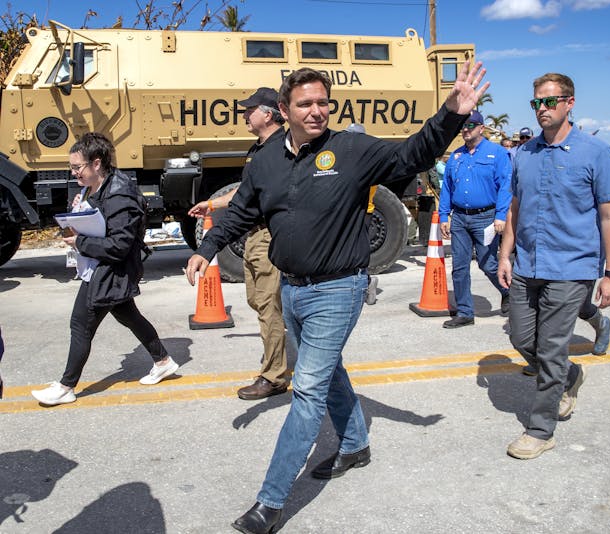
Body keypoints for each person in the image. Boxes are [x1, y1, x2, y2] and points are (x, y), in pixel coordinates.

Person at [186, 62, 488, 533]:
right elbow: (241, 210)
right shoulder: (264, 160)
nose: (316, 111)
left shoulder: (351, 149)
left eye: (323, 102)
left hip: (338, 289)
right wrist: (205, 250)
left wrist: (450, 113)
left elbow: (413, 154)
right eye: (305, 104)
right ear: (283, 110)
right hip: (291, 289)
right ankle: (355, 445)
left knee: (306, 390)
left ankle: (269, 503)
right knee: (329, 374)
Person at [498, 73, 610, 460]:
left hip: (572, 267)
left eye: (550, 101)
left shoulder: (596, 152)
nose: (542, 109)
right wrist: (505, 254)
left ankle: (541, 429)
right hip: (527, 265)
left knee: (551, 349)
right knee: (522, 339)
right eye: (537, 102)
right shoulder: (525, 154)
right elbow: (516, 208)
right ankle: (570, 376)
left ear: (570, 103)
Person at [31, 132, 177, 406]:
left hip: (110, 270)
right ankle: (163, 360)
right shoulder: (94, 186)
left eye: (78, 168)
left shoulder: (120, 194)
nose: (74, 173)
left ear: (96, 163)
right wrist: (77, 213)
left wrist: (80, 241)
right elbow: (98, 222)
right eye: (72, 168)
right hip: (100, 267)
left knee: (80, 325)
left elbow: (119, 245)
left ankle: (66, 386)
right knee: (128, 315)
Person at [188, 88, 289, 400]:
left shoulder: (282, 149)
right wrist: (213, 204)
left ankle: (274, 376)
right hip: (254, 236)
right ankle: (284, 345)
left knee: (268, 307)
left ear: (268, 114)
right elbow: (246, 191)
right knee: (258, 301)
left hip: (270, 235)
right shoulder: (258, 149)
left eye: (250, 110)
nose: (244, 114)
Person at [439, 109, 512, 328]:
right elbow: (448, 188)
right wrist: (444, 215)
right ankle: (465, 312)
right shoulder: (456, 156)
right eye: (463, 126)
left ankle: (509, 292)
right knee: (459, 267)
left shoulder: (496, 153)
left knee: (487, 262)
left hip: (486, 218)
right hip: (460, 217)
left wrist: (501, 216)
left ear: (481, 128)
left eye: (470, 125)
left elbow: (505, 186)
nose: (466, 130)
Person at [345, 122, 379, 305]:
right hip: (352, 212)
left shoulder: (366, 161)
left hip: (362, 213)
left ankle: (365, 283)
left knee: (358, 252)